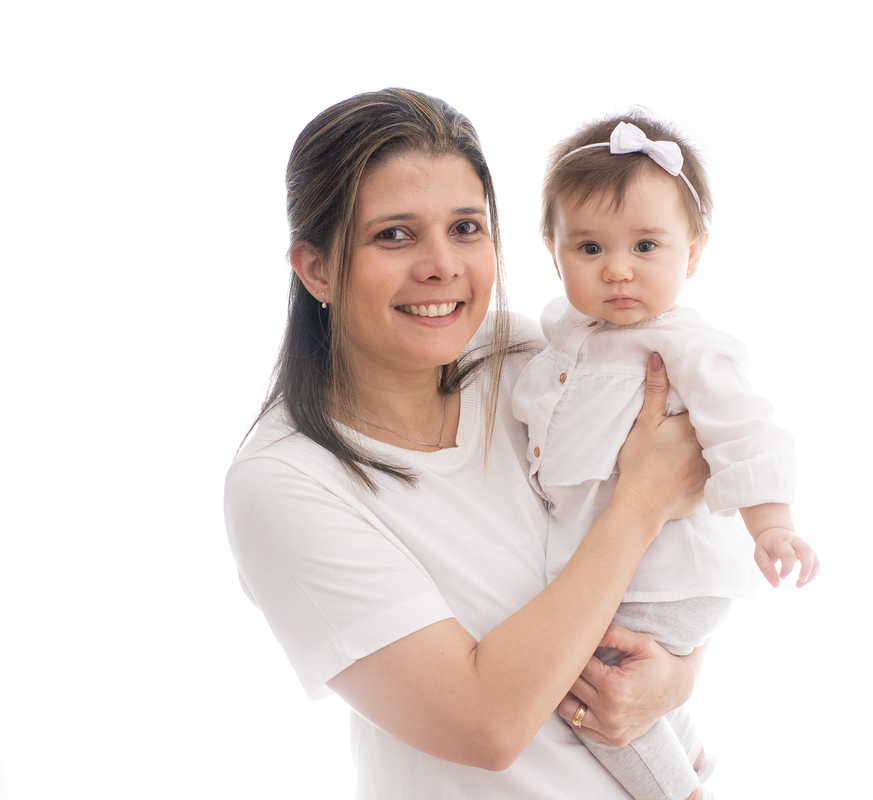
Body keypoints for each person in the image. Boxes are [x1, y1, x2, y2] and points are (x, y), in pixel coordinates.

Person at [224, 88, 716, 799]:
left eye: (465, 228)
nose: (441, 265)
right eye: (394, 235)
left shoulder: (534, 362)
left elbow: (677, 554)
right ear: (316, 268)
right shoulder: (286, 482)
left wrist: (680, 674)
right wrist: (639, 506)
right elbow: (485, 725)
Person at [511, 114, 821, 800]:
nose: (617, 268)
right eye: (589, 247)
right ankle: (694, 756)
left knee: (589, 685)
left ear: (693, 253)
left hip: (669, 577)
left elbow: (747, 433)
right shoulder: (562, 338)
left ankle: (680, 792)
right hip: (625, 573)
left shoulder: (686, 347)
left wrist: (772, 525)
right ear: (554, 254)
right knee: (622, 675)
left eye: (646, 245)